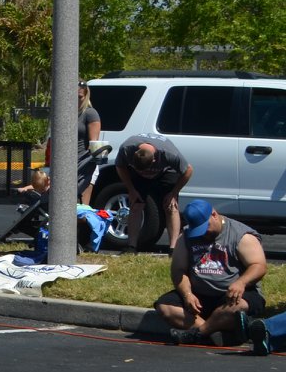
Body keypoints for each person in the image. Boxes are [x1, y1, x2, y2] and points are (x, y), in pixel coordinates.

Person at [158, 199, 271, 354]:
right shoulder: (186, 237)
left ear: (214, 215)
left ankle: (196, 334)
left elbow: (259, 266)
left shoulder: (241, 235)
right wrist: (187, 294)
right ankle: (214, 334)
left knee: (236, 309)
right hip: (200, 297)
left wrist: (241, 282)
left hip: (232, 296)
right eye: (198, 230)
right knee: (165, 307)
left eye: (205, 228)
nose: (203, 233)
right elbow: (178, 270)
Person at [113, 135, 193, 252]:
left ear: (154, 160)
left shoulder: (169, 154)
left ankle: (173, 248)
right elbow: (120, 166)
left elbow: (188, 170)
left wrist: (173, 193)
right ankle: (131, 246)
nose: (146, 173)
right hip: (139, 177)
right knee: (136, 204)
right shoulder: (126, 148)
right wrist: (131, 190)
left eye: (146, 169)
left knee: (171, 206)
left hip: (166, 172)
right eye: (141, 170)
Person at [42, 84, 104, 203]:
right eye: (72, 96)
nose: (76, 100)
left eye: (79, 97)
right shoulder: (65, 114)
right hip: (64, 165)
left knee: (80, 207)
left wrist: (93, 165)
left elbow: (95, 144)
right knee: (58, 204)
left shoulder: (90, 113)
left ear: (86, 96)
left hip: (84, 166)